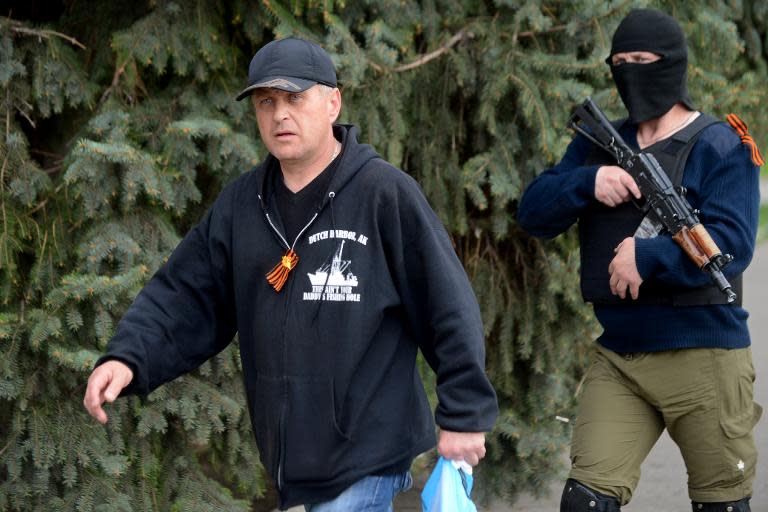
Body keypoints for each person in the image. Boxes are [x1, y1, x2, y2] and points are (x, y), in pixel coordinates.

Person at [83, 37, 498, 511]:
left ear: (332, 102)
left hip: (365, 457)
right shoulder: (243, 205)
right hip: (292, 468)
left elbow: (447, 303)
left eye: (295, 98)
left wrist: (465, 413)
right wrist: (128, 357)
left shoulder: (384, 194)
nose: (280, 114)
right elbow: (186, 293)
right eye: (266, 102)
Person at [517, 9, 762, 512]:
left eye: (641, 60)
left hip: (704, 357)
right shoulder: (597, 145)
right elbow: (534, 213)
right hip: (621, 359)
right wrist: (589, 182)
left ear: (671, 64)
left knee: (721, 505)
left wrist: (645, 256)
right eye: (619, 61)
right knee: (585, 500)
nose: (628, 71)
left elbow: (733, 244)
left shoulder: (720, 145)